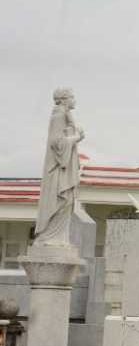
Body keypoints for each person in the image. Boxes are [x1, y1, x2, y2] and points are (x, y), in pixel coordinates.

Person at [34, 88, 85, 246]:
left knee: (67, 202)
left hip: (64, 167)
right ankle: (49, 238)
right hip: (58, 168)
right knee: (61, 201)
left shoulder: (66, 116)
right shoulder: (59, 116)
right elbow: (56, 143)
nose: (74, 100)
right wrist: (77, 137)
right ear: (63, 99)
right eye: (72, 97)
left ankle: (59, 238)